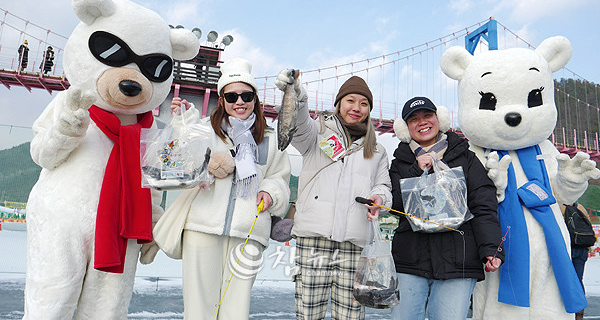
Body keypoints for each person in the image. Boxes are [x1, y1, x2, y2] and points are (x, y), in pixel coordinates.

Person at [163, 58, 291, 319]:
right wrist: (182, 121)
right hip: (202, 226)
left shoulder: (270, 137)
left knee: (236, 308)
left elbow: (279, 177)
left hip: (248, 232)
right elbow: (181, 161)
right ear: (221, 100)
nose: (239, 102)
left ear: (255, 98)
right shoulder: (204, 129)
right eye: (231, 96)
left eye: (246, 95)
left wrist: (270, 192)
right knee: (199, 307)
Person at [274, 71, 392, 319]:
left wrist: (380, 198)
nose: (356, 108)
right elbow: (298, 120)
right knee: (309, 314)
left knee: (350, 315)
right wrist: (298, 94)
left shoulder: (378, 150)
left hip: (355, 244)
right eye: (350, 100)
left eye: (364, 103)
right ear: (338, 103)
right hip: (313, 241)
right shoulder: (316, 133)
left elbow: (384, 186)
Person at [389, 96, 504, 320]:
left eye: (427, 115)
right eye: (413, 119)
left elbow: (484, 205)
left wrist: (492, 248)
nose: (422, 122)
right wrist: (415, 172)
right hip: (410, 260)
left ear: (439, 119)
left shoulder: (466, 158)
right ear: (406, 128)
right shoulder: (400, 163)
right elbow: (393, 205)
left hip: (458, 259)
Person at [560, 202, 595, 320]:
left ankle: (566, 309)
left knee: (565, 280)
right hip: (582, 249)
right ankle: (579, 311)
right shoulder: (580, 207)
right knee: (578, 279)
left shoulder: (560, 207)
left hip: (568, 249)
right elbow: (588, 225)